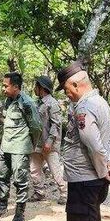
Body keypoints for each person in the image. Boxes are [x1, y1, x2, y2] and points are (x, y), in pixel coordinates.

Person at [55, 61, 110, 221]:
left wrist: (103, 170)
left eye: (66, 89)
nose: (67, 94)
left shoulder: (84, 107)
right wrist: (108, 164)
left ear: (75, 84)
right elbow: (109, 139)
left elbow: (93, 143)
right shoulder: (101, 102)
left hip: (85, 178)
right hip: (93, 177)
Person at [0, 72, 41, 221]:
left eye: (5, 85)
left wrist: (30, 146)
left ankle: (19, 212)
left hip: (20, 147)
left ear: (16, 87)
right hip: (6, 146)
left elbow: (36, 127)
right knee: (1, 176)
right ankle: (1, 206)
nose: (3, 88)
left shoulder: (27, 103)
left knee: (20, 180)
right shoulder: (8, 101)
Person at [28, 75, 67, 204]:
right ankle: (39, 192)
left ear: (42, 88)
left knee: (55, 170)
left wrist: (49, 141)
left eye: (36, 86)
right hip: (37, 143)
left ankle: (64, 194)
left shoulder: (52, 103)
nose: (34, 88)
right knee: (34, 169)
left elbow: (56, 124)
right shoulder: (37, 103)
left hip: (48, 144)